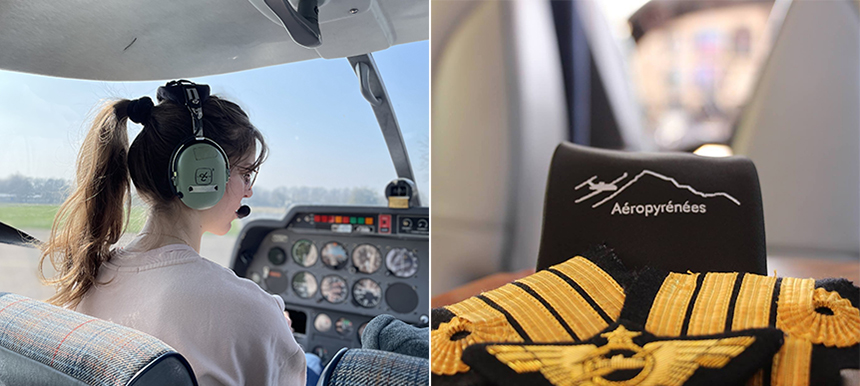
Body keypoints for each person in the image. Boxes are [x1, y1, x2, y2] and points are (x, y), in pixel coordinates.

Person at [38, 81, 307, 385]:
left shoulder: (85, 280)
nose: (249, 191)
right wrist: (273, 327)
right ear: (202, 173)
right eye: (245, 174)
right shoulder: (252, 312)